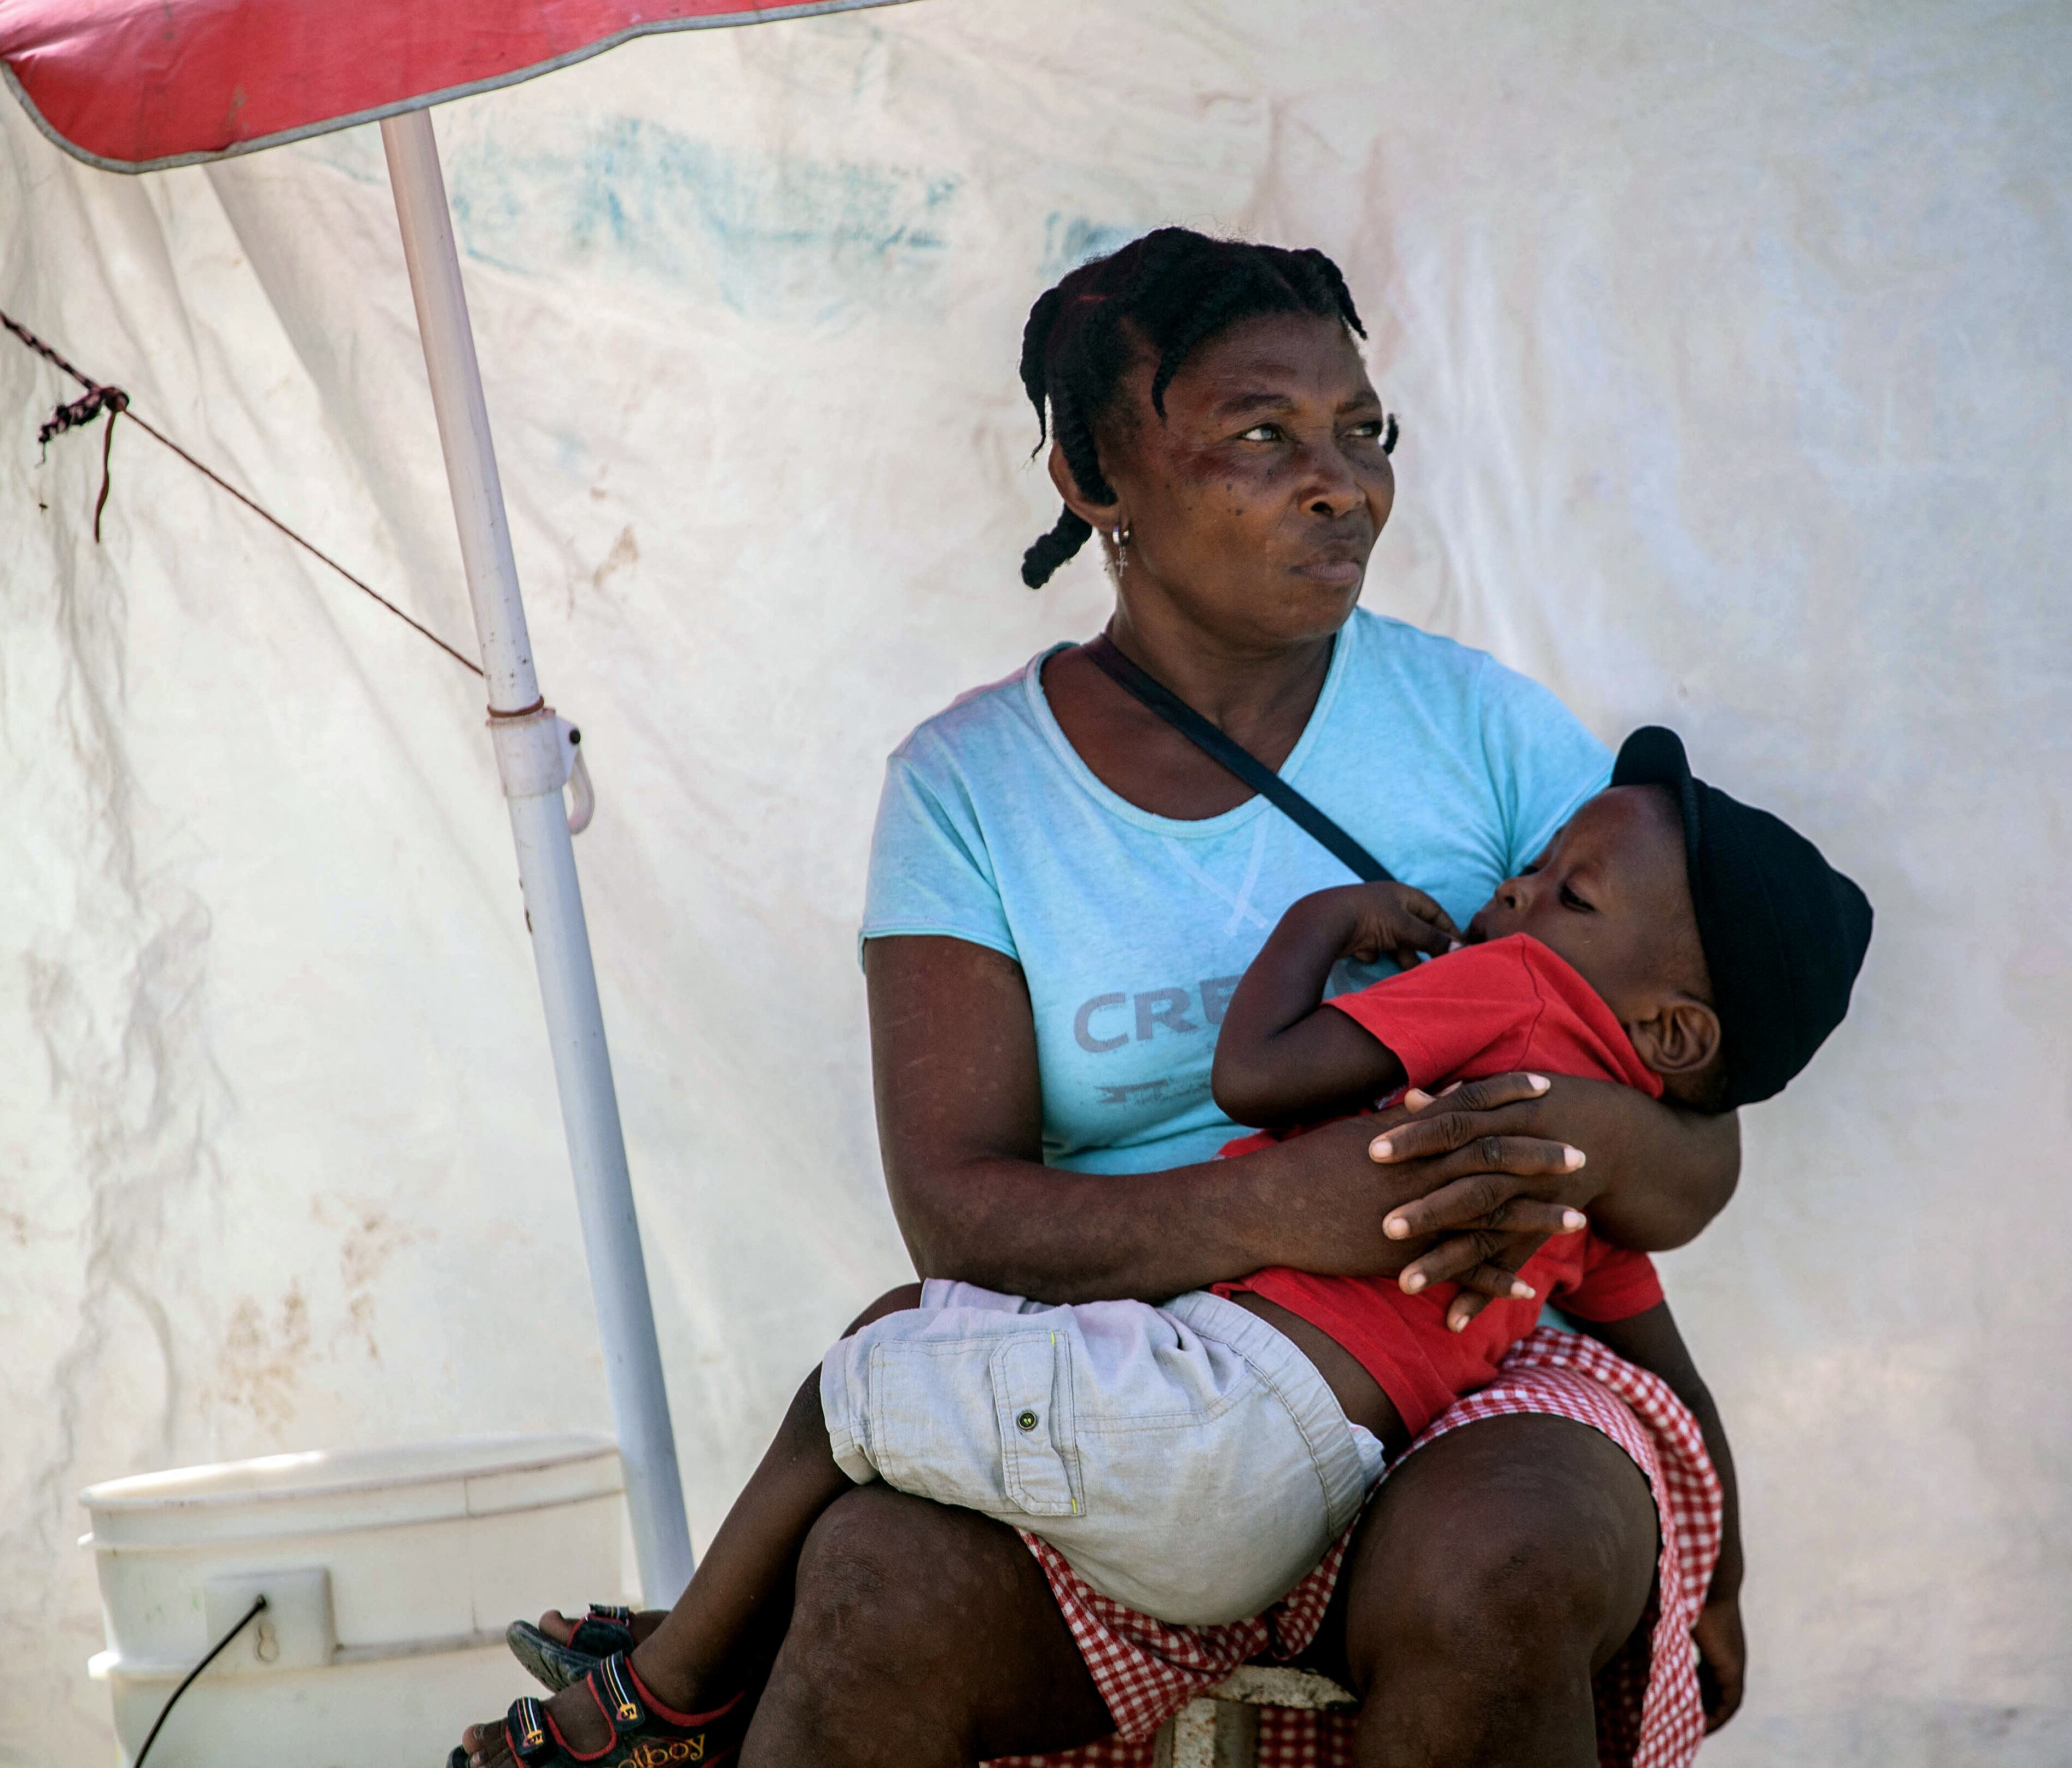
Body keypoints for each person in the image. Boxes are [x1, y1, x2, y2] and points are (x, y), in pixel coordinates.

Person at [469, 227, 1819, 1768]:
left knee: (1511, 1557)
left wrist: (1551, 1139)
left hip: (1473, 1350)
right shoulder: (972, 790)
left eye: (1363, 431)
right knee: (875, 1585)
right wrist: (1295, 1208)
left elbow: (1695, 1142)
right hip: (1116, 1356)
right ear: (1093, 478)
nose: (1344, 483)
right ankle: (675, 1713)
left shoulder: (1486, 736)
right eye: (1262, 435)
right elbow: (961, 1220)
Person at [451, 732, 1870, 1767]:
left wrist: (1324, 927)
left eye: (1567, 892)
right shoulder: (1569, 1196)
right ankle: (687, 1670)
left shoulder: (1502, 998)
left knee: (863, 1372)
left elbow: (1260, 1079)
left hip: (1214, 1422)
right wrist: (1723, 1576)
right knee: (898, 1401)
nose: (1516, 894)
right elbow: (1664, 1370)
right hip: (1316, 1450)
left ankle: (659, 1697)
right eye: (1539, 867)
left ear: (1677, 1032)